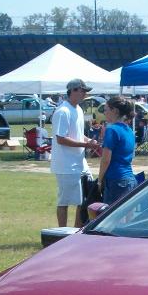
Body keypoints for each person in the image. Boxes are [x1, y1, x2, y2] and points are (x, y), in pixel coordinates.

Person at [50, 78, 96, 227]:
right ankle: (62, 231)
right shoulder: (63, 111)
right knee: (64, 201)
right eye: (83, 91)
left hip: (80, 162)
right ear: (74, 91)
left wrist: (90, 141)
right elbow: (61, 138)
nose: (85, 94)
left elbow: (78, 134)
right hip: (66, 165)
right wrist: (86, 144)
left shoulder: (79, 109)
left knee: (84, 199)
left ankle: (77, 229)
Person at [98, 96, 137, 205]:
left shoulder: (111, 129)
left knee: (111, 213)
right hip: (130, 179)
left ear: (114, 111)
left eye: (106, 110)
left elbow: (106, 160)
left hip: (115, 179)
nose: (104, 113)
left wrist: (99, 180)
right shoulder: (129, 130)